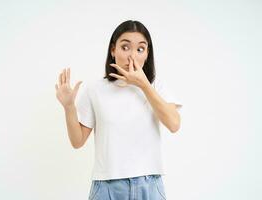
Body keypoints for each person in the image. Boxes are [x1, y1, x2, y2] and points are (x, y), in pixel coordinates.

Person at [55, 20, 182, 200]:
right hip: (107, 188)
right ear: (113, 50)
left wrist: (144, 85)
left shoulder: (156, 86)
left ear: (147, 54)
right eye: (125, 47)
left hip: (149, 185)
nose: (132, 56)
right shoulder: (95, 89)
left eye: (140, 49)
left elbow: (174, 124)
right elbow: (77, 141)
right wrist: (69, 107)